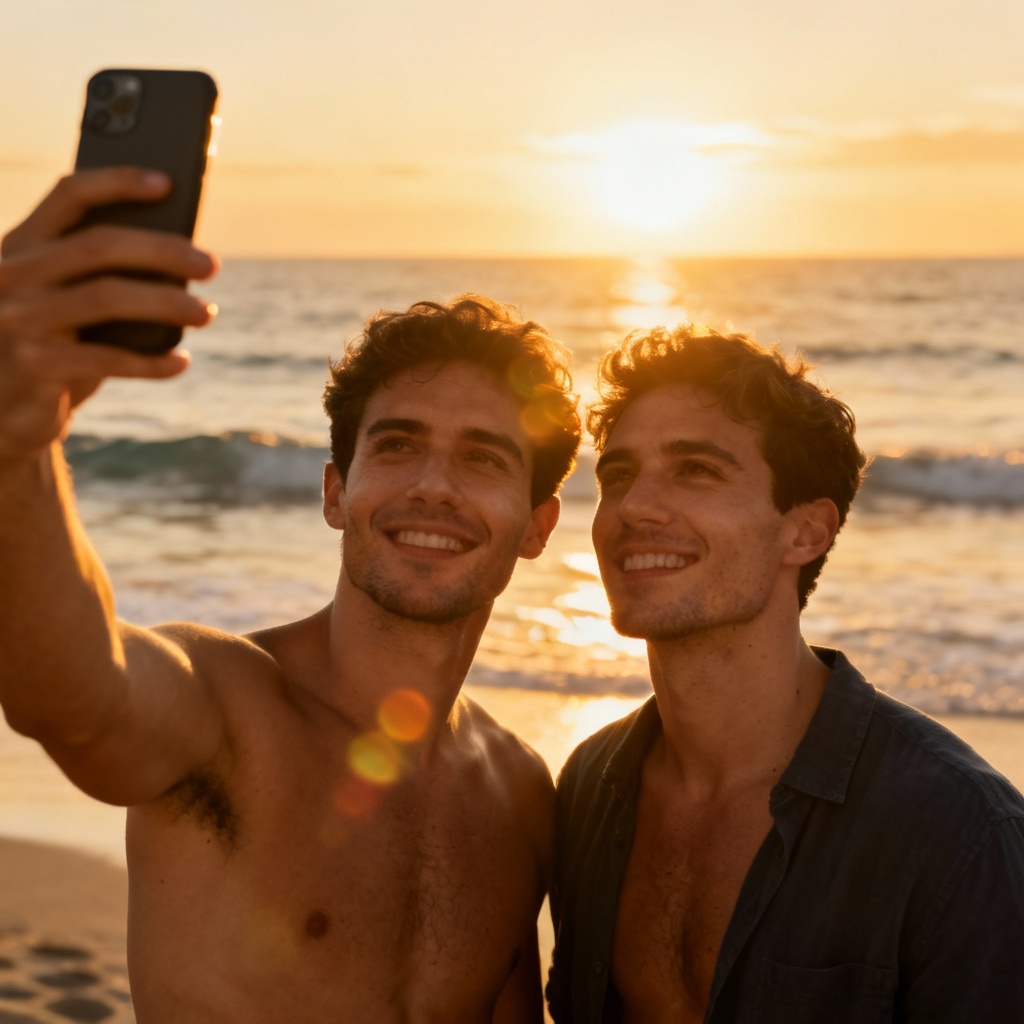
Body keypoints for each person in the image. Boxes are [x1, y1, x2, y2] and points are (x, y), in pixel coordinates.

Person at [0, 168, 581, 1023]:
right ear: (335, 493)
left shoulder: (518, 792)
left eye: (484, 458)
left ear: (537, 526)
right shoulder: (226, 709)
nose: (432, 485)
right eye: (398, 444)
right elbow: (73, 695)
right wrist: (20, 435)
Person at [546, 324, 1024, 1022]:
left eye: (696, 470)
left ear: (806, 533)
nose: (633, 508)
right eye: (618, 475)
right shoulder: (591, 786)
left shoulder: (960, 834)